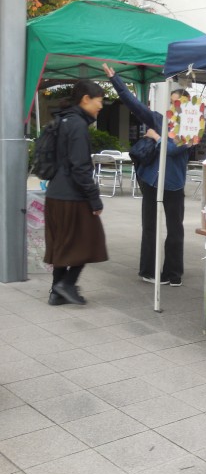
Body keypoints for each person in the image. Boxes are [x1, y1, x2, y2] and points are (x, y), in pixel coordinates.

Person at [102, 63, 191, 287]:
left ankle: (173, 273)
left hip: (173, 184)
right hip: (152, 180)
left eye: (179, 104)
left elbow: (172, 150)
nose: (174, 108)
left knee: (175, 230)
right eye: (172, 103)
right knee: (149, 227)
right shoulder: (160, 120)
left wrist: (156, 137)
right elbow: (136, 106)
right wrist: (115, 80)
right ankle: (148, 271)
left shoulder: (191, 130)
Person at [44, 80, 108, 306]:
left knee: (62, 243)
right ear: (86, 99)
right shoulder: (78, 125)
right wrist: (94, 199)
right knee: (91, 239)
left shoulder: (62, 119)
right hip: (72, 196)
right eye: (99, 101)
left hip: (55, 193)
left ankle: (56, 292)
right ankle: (67, 283)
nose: (101, 106)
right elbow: (80, 167)